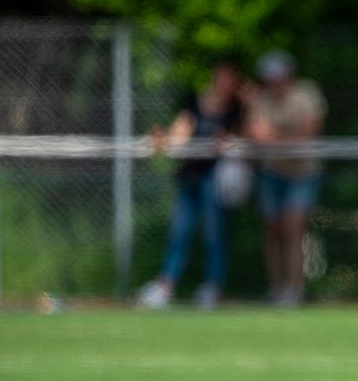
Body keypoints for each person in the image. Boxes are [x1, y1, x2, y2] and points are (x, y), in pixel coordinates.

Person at [136, 56, 246, 310]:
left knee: (213, 232)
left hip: (215, 179)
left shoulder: (238, 110)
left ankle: (213, 286)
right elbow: (179, 134)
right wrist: (163, 140)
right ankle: (166, 285)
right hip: (189, 176)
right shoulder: (195, 102)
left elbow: (244, 137)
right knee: (180, 231)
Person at [245, 49, 326, 307]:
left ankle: (295, 289)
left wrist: (272, 137)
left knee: (293, 227)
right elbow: (255, 134)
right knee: (272, 229)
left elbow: (307, 134)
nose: (273, 83)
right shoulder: (261, 99)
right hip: (272, 173)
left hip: (302, 173)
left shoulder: (306, 95)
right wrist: (279, 139)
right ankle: (277, 288)